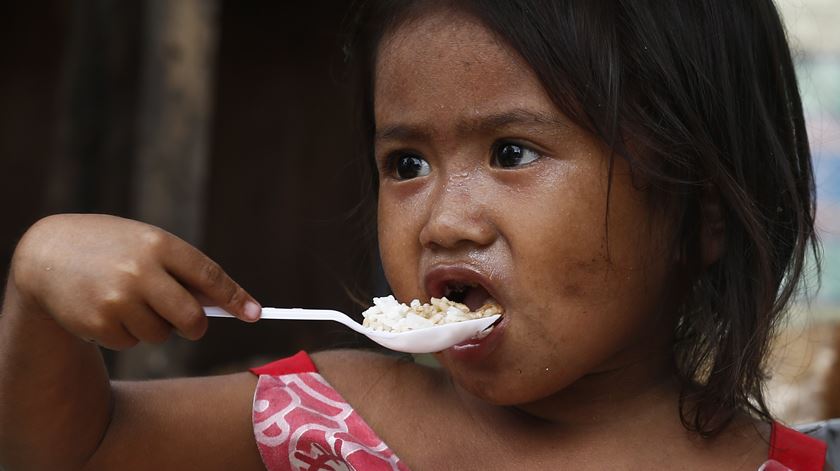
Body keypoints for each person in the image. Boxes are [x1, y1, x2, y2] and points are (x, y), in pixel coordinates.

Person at [0, 0, 829, 469]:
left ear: (699, 213)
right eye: (405, 163)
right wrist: (38, 288)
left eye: (511, 152)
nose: (443, 220)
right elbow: (75, 447)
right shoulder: (327, 412)